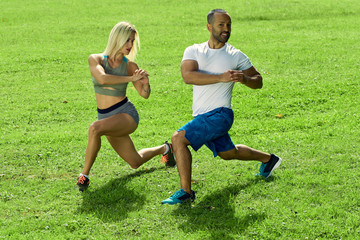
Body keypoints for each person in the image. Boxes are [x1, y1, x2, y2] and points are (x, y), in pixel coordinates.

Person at [161, 9, 281, 205]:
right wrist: (220, 77)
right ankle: (269, 160)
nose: (226, 29)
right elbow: (188, 76)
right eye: (221, 25)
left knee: (178, 139)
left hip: (221, 115)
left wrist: (244, 78)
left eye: (229, 25)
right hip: (203, 115)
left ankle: (186, 192)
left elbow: (258, 81)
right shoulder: (194, 50)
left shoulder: (235, 54)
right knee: (228, 153)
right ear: (209, 27)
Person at [76, 22, 175, 192]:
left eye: (132, 41)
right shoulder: (96, 59)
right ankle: (165, 148)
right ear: (117, 39)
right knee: (135, 162)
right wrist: (131, 79)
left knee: (94, 128)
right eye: (127, 40)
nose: (130, 45)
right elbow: (103, 79)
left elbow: (144, 95)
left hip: (125, 115)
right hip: (107, 119)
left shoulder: (130, 66)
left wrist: (145, 83)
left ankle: (84, 176)